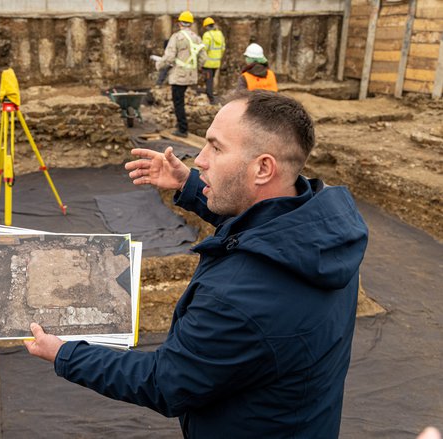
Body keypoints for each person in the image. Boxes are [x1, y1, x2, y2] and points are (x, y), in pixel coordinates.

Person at [25, 90, 369, 438]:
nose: (200, 159)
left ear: (264, 167)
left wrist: (64, 354)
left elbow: (165, 382)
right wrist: (190, 185)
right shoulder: (322, 232)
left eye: (216, 148)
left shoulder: (236, 298)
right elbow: (261, 227)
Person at [150, 10, 206, 138]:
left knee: (178, 102)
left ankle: (182, 129)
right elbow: (203, 57)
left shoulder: (177, 37)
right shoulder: (197, 38)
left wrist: (159, 65)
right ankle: (181, 126)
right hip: (190, 76)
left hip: (179, 76)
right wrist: (195, 68)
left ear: (180, 23)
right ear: (190, 24)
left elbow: (169, 57)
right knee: (181, 101)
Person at [201, 17, 225, 104]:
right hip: (216, 62)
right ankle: (210, 94)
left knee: (208, 81)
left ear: (206, 26)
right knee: (211, 79)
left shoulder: (207, 35)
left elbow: (204, 49)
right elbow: (223, 48)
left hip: (208, 63)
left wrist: (201, 61)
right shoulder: (220, 34)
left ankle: (210, 98)